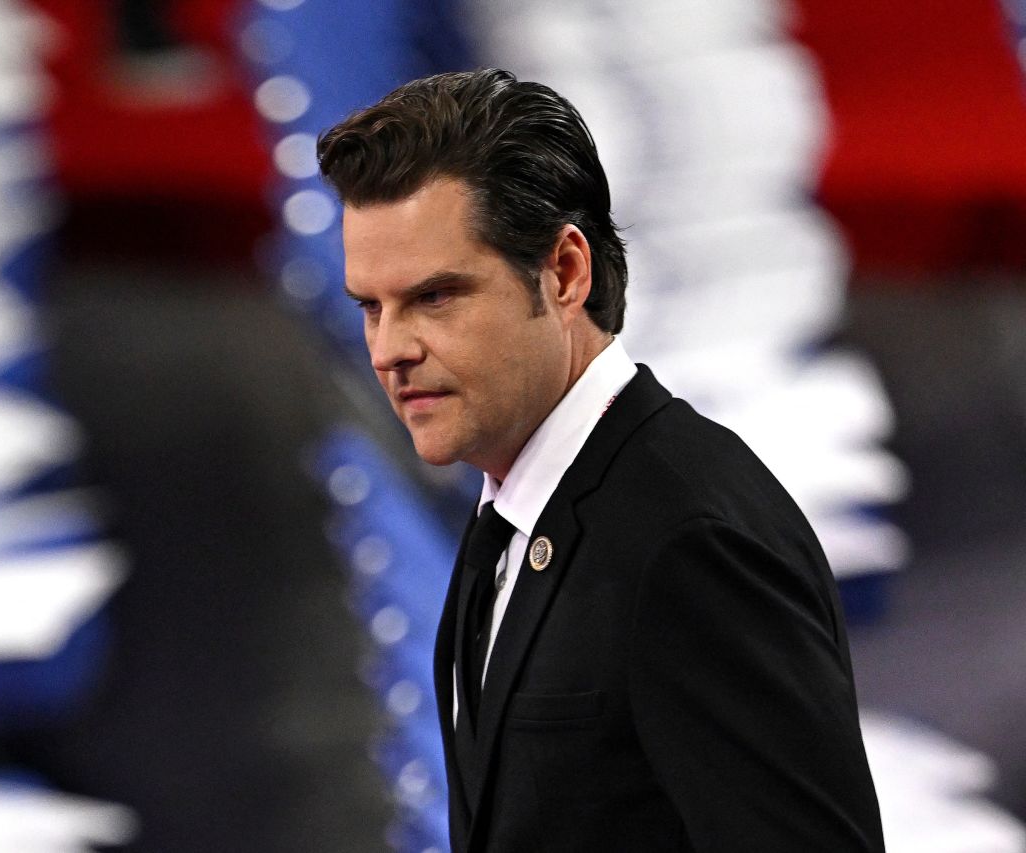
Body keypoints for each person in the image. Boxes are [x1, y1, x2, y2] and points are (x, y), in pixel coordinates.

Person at [317, 68, 885, 852]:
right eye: (371, 307)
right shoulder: (511, 517)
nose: (390, 350)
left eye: (435, 297)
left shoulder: (692, 543)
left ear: (565, 272)